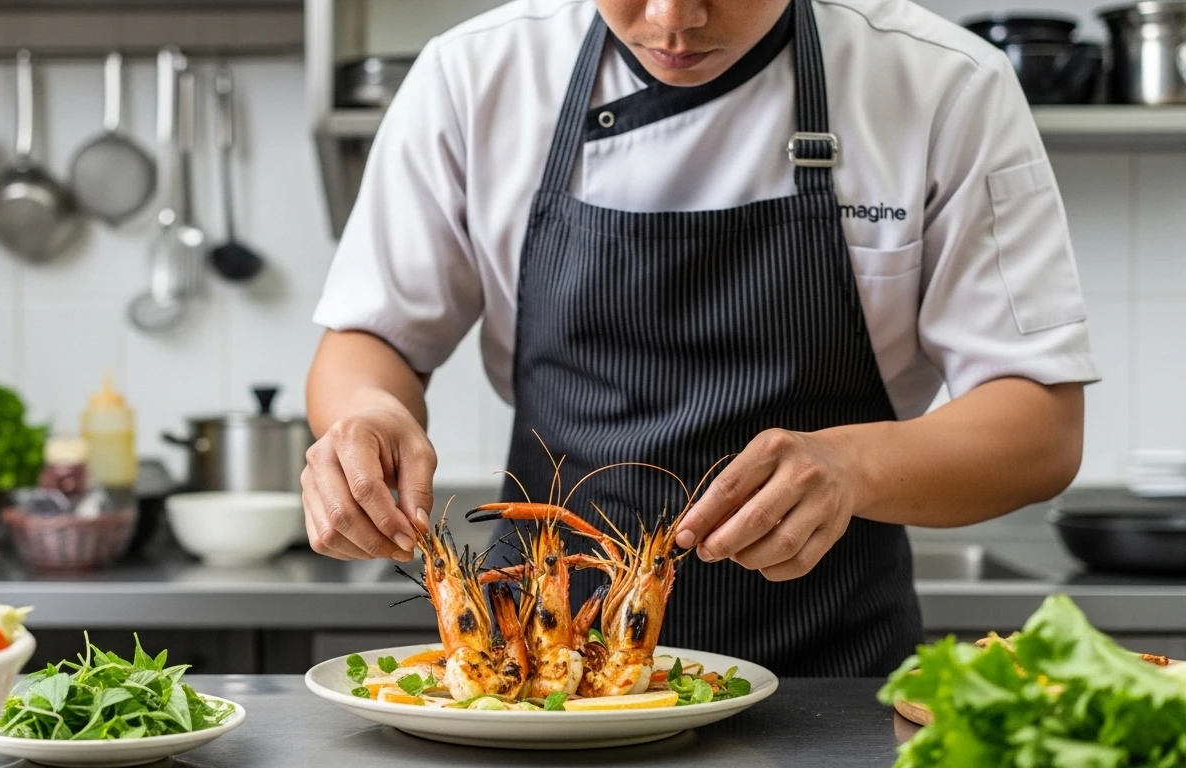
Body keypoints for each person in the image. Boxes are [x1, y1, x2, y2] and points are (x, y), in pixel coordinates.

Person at [302, 0, 1094, 675]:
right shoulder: (475, 75)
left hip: (828, 677)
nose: (674, 20)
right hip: (534, 673)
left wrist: (852, 467)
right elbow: (370, 343)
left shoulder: (941, 85)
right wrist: (366, 417)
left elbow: (1038, 429)